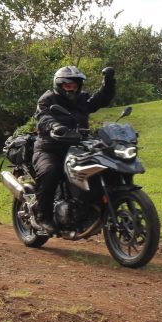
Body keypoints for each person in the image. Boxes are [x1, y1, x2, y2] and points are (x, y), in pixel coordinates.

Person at [32, 65, 115, 234]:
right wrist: (55, 126)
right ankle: (43, 216)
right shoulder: (47, 99)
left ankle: (88, 209)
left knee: (102, 166)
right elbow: (43, 117)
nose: (72, 88)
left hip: (77, 147)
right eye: (68, 85)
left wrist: (109, 82)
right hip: (50, 148)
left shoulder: (81, 99)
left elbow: (100, 99)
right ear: (59, 85)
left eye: (75, 85)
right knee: (50, 171)